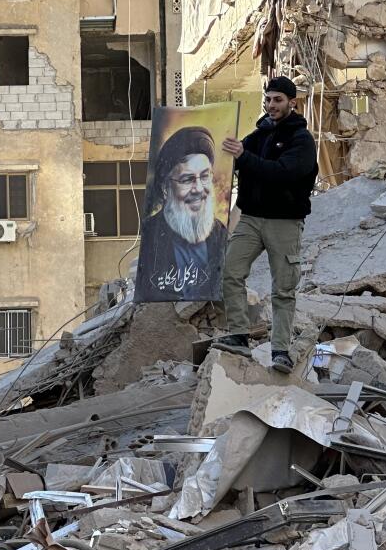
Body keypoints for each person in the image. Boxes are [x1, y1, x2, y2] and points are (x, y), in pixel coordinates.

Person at [219, 76, 318, 373]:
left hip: (284, 223)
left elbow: (282, 172)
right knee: (230, 272)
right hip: (250, 218)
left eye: (277, 100)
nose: (271, 105)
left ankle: (281, 351)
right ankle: (238, 336)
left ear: (292, 103)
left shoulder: (301, 140)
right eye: (268, 99)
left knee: (283, 289)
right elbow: (236, 160)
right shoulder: (259, 134)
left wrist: (243, 156)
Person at [136, 126, 229, 301]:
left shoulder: (220, 234)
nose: (199, 189)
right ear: (165, 188)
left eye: (204, 177)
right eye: (187, 179)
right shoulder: (151, 233)